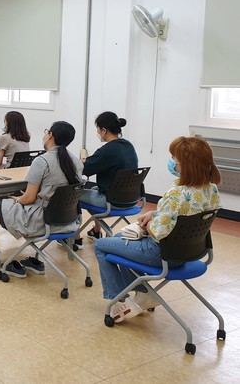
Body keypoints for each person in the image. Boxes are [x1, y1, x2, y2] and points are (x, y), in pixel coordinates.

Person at [94, 136, 221, 323]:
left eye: (174, 158)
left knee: (100, 245)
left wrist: (146, 225)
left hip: (160, 254)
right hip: (189, 253)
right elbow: (185, 215)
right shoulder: (211, 190)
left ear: (185, 164)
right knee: (121, 237)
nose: (172, 162)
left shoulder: (177, 193)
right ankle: (143, 293)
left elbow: (157, 233)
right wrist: (155, 214)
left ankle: (119, 299)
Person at [0, 121, 83, 278]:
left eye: (46, 131)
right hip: (69, 221)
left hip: (42, 221)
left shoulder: (42, 161)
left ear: (50, 135)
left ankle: (8, 263)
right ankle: (33, 259)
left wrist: (18, 199)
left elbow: (28, 199)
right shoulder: (76, 161)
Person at [81, 112, 138, 240]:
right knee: (94, 189)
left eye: (97, 129)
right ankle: (96, 231)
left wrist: (82, 162)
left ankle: (74, 238)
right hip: (132, 198)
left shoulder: (107, 150)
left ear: (103, 130)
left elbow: (85, 168)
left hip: (113, 201)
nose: (97, 132)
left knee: (73, 196)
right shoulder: (128, 145)